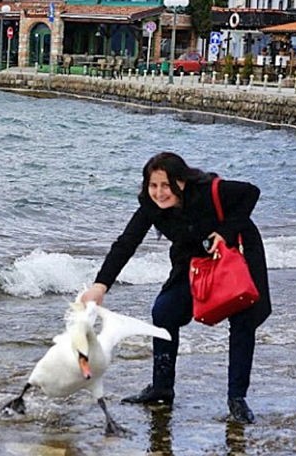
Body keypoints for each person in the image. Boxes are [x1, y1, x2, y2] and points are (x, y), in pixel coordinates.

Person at [80, 152, 271, 424]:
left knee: (242, 320)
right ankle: (161, 388)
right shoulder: (151, 206)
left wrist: (225, 232)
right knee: (165, 311)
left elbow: (251, 192)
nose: (159, 192)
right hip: (192, 262)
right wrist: (101, 285)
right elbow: (126, 243)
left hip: (235, 257)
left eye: (165, 185)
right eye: (153, 185)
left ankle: (237, 399)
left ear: (181, 182)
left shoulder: (206, 191)